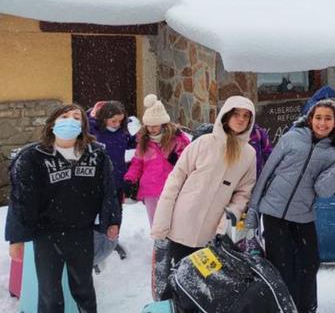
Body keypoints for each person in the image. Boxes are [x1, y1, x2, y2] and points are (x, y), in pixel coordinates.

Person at [6, 104, 121, 313]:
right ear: (52, 124)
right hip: (47, 236)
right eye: (64, 116)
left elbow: (109, 190)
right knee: (50, 293)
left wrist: (111, 220)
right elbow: (20, 199)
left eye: (76, 117)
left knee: (84, 288)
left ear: (83, 125)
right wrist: (17, 238)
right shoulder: (33, 157)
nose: (70, 121)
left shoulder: (96, 155)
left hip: (82, 232)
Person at [246, 99, 335, 313]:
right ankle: (283, 307)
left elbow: (323, 189)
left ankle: (306, 308)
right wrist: (253, 209)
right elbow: (267, 173)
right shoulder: (291, 138)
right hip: (273, 212)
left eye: (328, 118)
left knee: (310, 264)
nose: (322, 123)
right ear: (311, 118)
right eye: (318, 117)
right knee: (281, 265)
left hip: (303, 215)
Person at [150, 96, 257, 300]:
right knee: (173, 284)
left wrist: (226, 221)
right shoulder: (203, 144)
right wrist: (162, 222)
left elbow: (243, 193)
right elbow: (175, 182)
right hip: (180, 227)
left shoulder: (248, 154)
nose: (241, 119)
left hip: (212, 234)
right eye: (237, 114)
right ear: (226, 116)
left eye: (246, 116)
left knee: (202, 289)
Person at [123, 94, 190, 226]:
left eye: (155, 125)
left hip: (172, 187)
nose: (151, 129)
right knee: (156, 225)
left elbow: (190, 156)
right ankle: (158, 246)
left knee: (174, 224)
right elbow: (137, 163)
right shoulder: (143, 140)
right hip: (150, 189)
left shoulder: (177, 138)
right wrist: (130, 179)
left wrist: (177, 159)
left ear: (163, 123)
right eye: (148, 125)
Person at [87, 100, 134, 259]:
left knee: (116, 211)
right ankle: (96, 246)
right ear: (103, 118)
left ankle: (112, 240)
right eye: (113, 120)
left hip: (118, 179)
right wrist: (92, 115)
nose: (117, 124)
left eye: (120, 120)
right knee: (99, 212)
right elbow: (86, 124)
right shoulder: (95, 132)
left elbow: (129, 143)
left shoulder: (121, 132)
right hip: (99, 181)